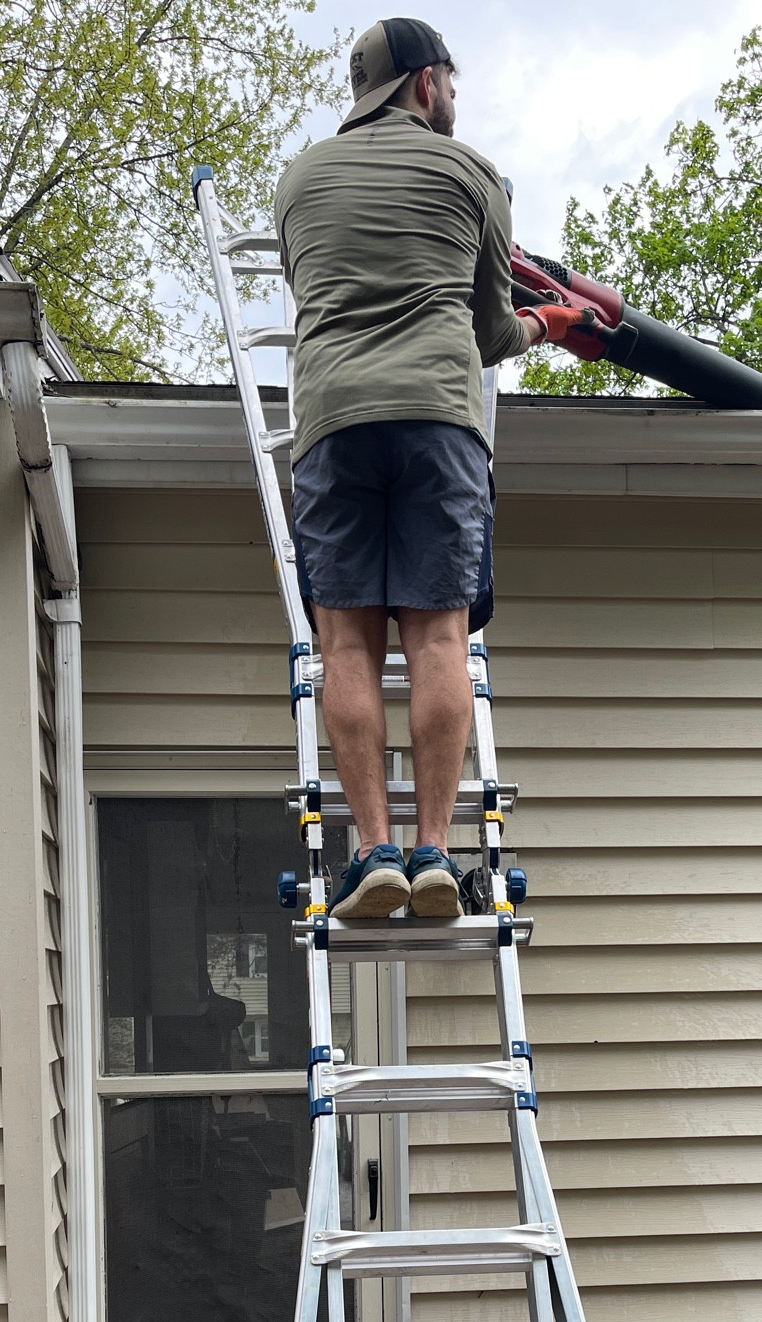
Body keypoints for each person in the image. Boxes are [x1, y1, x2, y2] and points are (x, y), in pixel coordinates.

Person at [274, 18, 592, 918]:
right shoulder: (469, 175)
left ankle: (372, 849)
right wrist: (554, 324)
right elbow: (493, 332)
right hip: (440, 423)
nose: (454, 95)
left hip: (333, 421)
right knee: (439, 641)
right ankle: (433, 856)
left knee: (345, 646)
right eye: (451, 79)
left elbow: (318, 294)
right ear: (424, 85)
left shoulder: (298, 182)